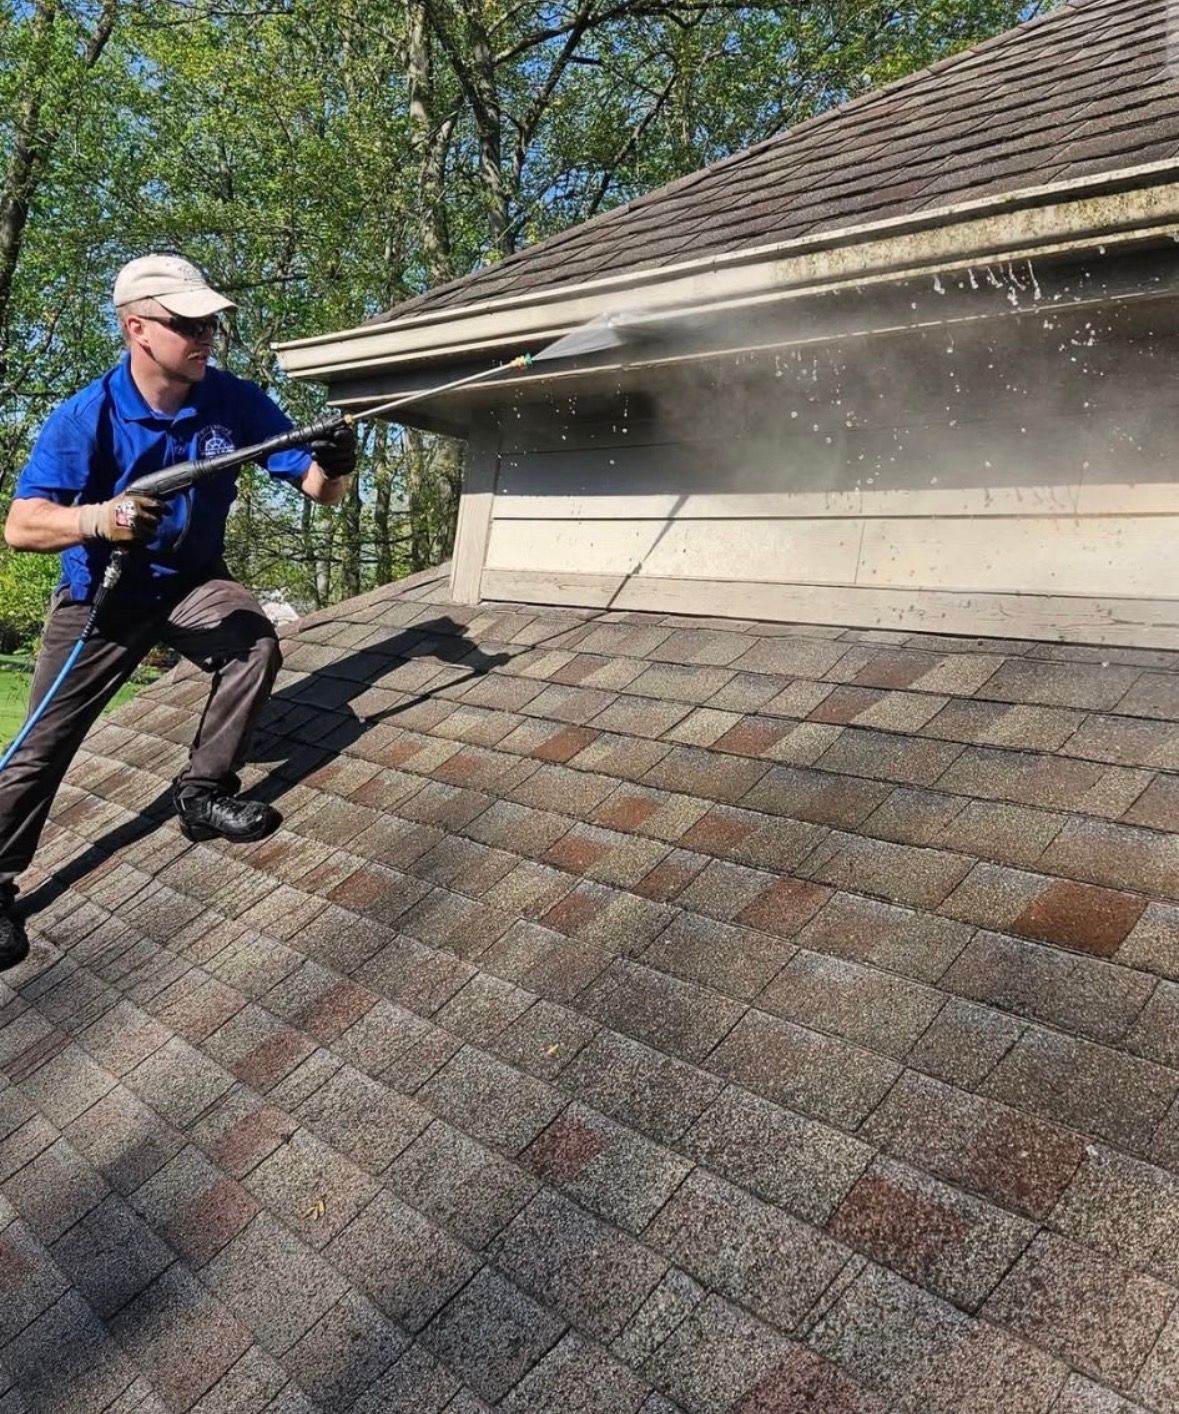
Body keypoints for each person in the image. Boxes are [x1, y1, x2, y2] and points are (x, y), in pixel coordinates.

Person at [0, 253, 357, 969]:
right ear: (137, 328)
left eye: (210, 324)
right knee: (40, 746)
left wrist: (340, 458)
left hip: (192, 582)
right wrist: (100, 519)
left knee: (254, 643)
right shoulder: (85, 416)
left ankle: (202, 792)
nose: (205, 337)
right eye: (186, 323)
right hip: (102, 598)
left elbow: (323, 493)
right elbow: (20, 525)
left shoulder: (234, 401)